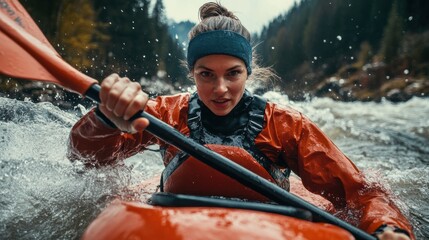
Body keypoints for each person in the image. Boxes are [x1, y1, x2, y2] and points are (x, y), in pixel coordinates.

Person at [68, 2, 414, 239]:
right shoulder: (166, 113)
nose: (220, 89)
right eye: (206, 75)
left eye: (233, 73)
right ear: (192, 73)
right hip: (175, 212)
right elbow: (84, 158)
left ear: (249, 71)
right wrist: (106, 118)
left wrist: (387, 227)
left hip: (273, 223)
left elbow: (359, 193)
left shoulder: (285, 125)